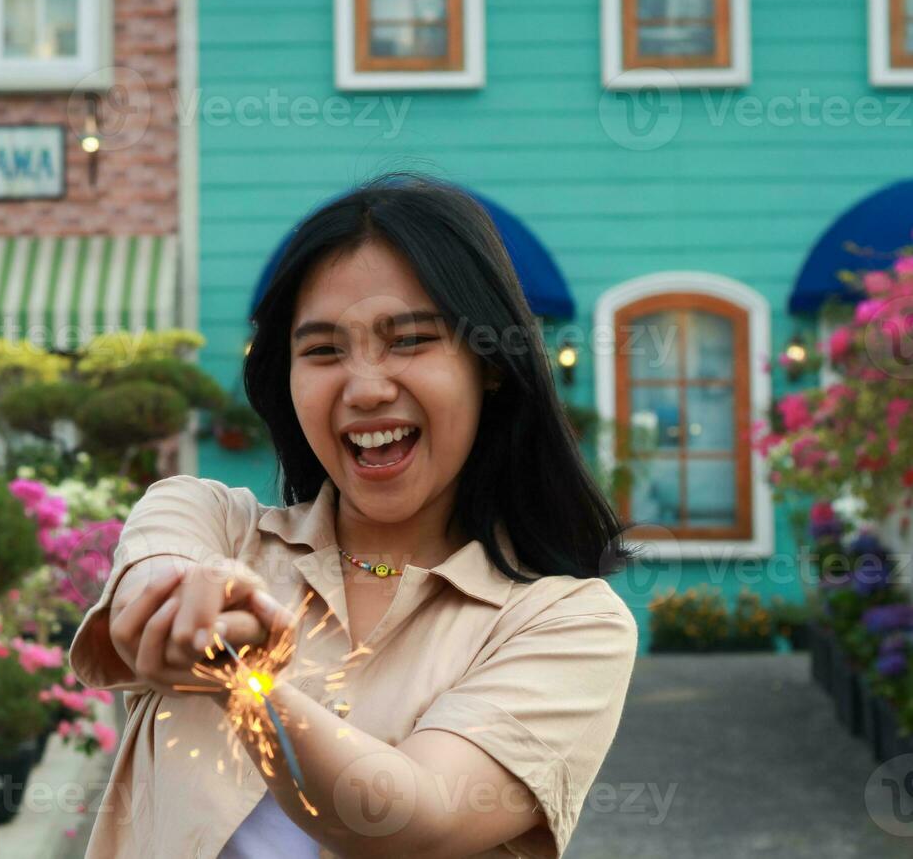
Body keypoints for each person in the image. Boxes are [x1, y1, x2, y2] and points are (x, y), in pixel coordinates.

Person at [69, 173, 642, 858]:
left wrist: (243, 682)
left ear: (488, 363)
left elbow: (413, 816)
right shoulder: (211, 522)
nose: (366, 389)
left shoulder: (568, 623)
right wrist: (175, 603)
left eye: (409, 341)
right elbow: (156, 578)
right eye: (321, 351)